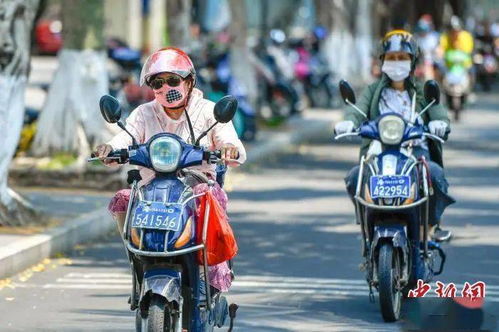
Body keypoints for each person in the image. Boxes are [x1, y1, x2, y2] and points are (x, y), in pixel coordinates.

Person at [93, 47, 247, 292]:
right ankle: (138, 257)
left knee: (210, 199)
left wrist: (228, 148)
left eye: (173, 80)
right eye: (158, 83)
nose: (166, 88)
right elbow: (125, 137)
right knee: (124, 199)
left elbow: (230, 141)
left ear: (189, 81)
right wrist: (109, 148)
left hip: (196, 189)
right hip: (152, 191)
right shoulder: (144, 112)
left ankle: (210, 273)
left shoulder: (208, 111)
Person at [335, 30, 455, 242]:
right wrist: (348, 122)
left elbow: (437, 110)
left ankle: (430, 227)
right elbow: (357, 109)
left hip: (415, 151)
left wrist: (439, 123)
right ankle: (367, 223)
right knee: (355, 177)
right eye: (391, 58)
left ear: (412, 61)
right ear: (382, 61)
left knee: (434, 174)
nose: (396, 62)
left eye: (402, 58)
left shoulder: (422, 90)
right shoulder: (373, 91)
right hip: (379, 151)